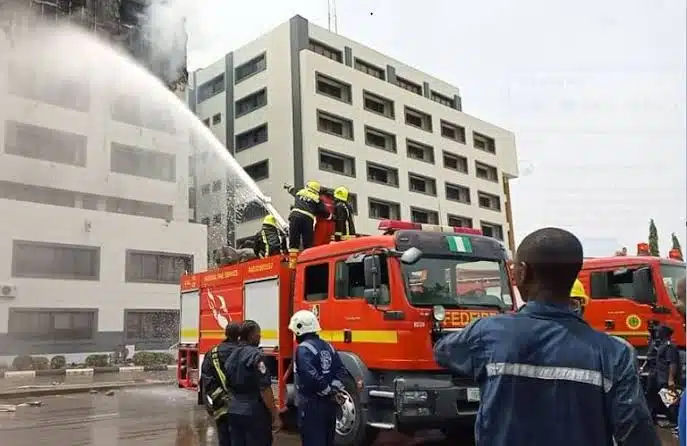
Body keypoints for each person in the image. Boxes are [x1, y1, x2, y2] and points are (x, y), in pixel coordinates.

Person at [433, 227, 661, 446]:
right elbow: (635, 432)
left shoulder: (488, 334)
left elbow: (443, 351)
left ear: (522, 272)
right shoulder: (615, 354)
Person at [288, 310, 348, 446]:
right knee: (328, 440)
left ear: (299, 329)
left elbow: (309, 374)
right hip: (330, 404)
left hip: (311, 404)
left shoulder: (303, 349)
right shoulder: (329, 346)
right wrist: (333, 389)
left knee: (312, 440)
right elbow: (341, 370)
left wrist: (326, 389)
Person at [225, 320, 281, 446]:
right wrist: (275, 414)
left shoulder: (232, 355)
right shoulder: (256, 355)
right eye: (258, 333)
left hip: (233, 410)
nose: (260, 336)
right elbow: (265, 388)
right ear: (251, 335)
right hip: (254, 413)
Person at [200, 322, 241, 446]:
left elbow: (206, 381)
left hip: (222, 407)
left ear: (226, 334)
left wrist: (214, 403)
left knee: (224, 439)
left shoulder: (212, 353)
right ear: (239, 335)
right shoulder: (245, 353)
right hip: (243, 408)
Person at [283, 181, 331, 268]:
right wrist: (331, 216)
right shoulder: (317, 198)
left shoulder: (300, 192)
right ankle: (307, 263)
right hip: (307, 219)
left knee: (294, 243)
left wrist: (287, 187)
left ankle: (292, 264)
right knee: (307, 243)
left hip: (294, 217)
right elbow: (324, 212)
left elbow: (292, 190)